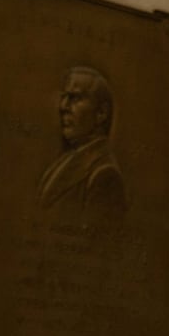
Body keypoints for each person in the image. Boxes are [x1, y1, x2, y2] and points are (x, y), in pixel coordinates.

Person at [38, 65, 127, 224]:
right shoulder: (63, 161)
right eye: (64, 97)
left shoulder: (105, 175)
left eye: (75, 98)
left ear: (101, 113)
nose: (63, 107)